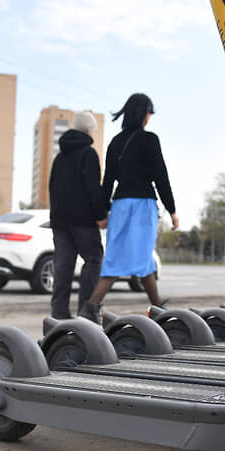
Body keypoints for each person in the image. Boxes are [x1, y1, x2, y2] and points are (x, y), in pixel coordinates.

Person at [79, 93, 177, 324]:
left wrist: (102, 212)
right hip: (142, 206)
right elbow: (161, 177)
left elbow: (108, 181)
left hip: (120, 205)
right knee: (143, 258)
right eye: (150, 112)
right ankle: (157, 307)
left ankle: (91, 308)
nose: (150, 117)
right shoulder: (150, 140)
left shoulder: (116, 142)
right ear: (144, 113)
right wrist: (172, 209)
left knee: (115, 259)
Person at [48, 111, 106, 319]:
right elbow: (93, 188)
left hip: (60, 221)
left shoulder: (59, 157)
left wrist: (55, 216)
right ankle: (86, 312)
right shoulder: (88, 154)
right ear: (88, 130)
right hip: (82, 220)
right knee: (94, 259)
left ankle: (59, 313)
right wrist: (101, 215)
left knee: (63, 265)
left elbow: (52, 187)